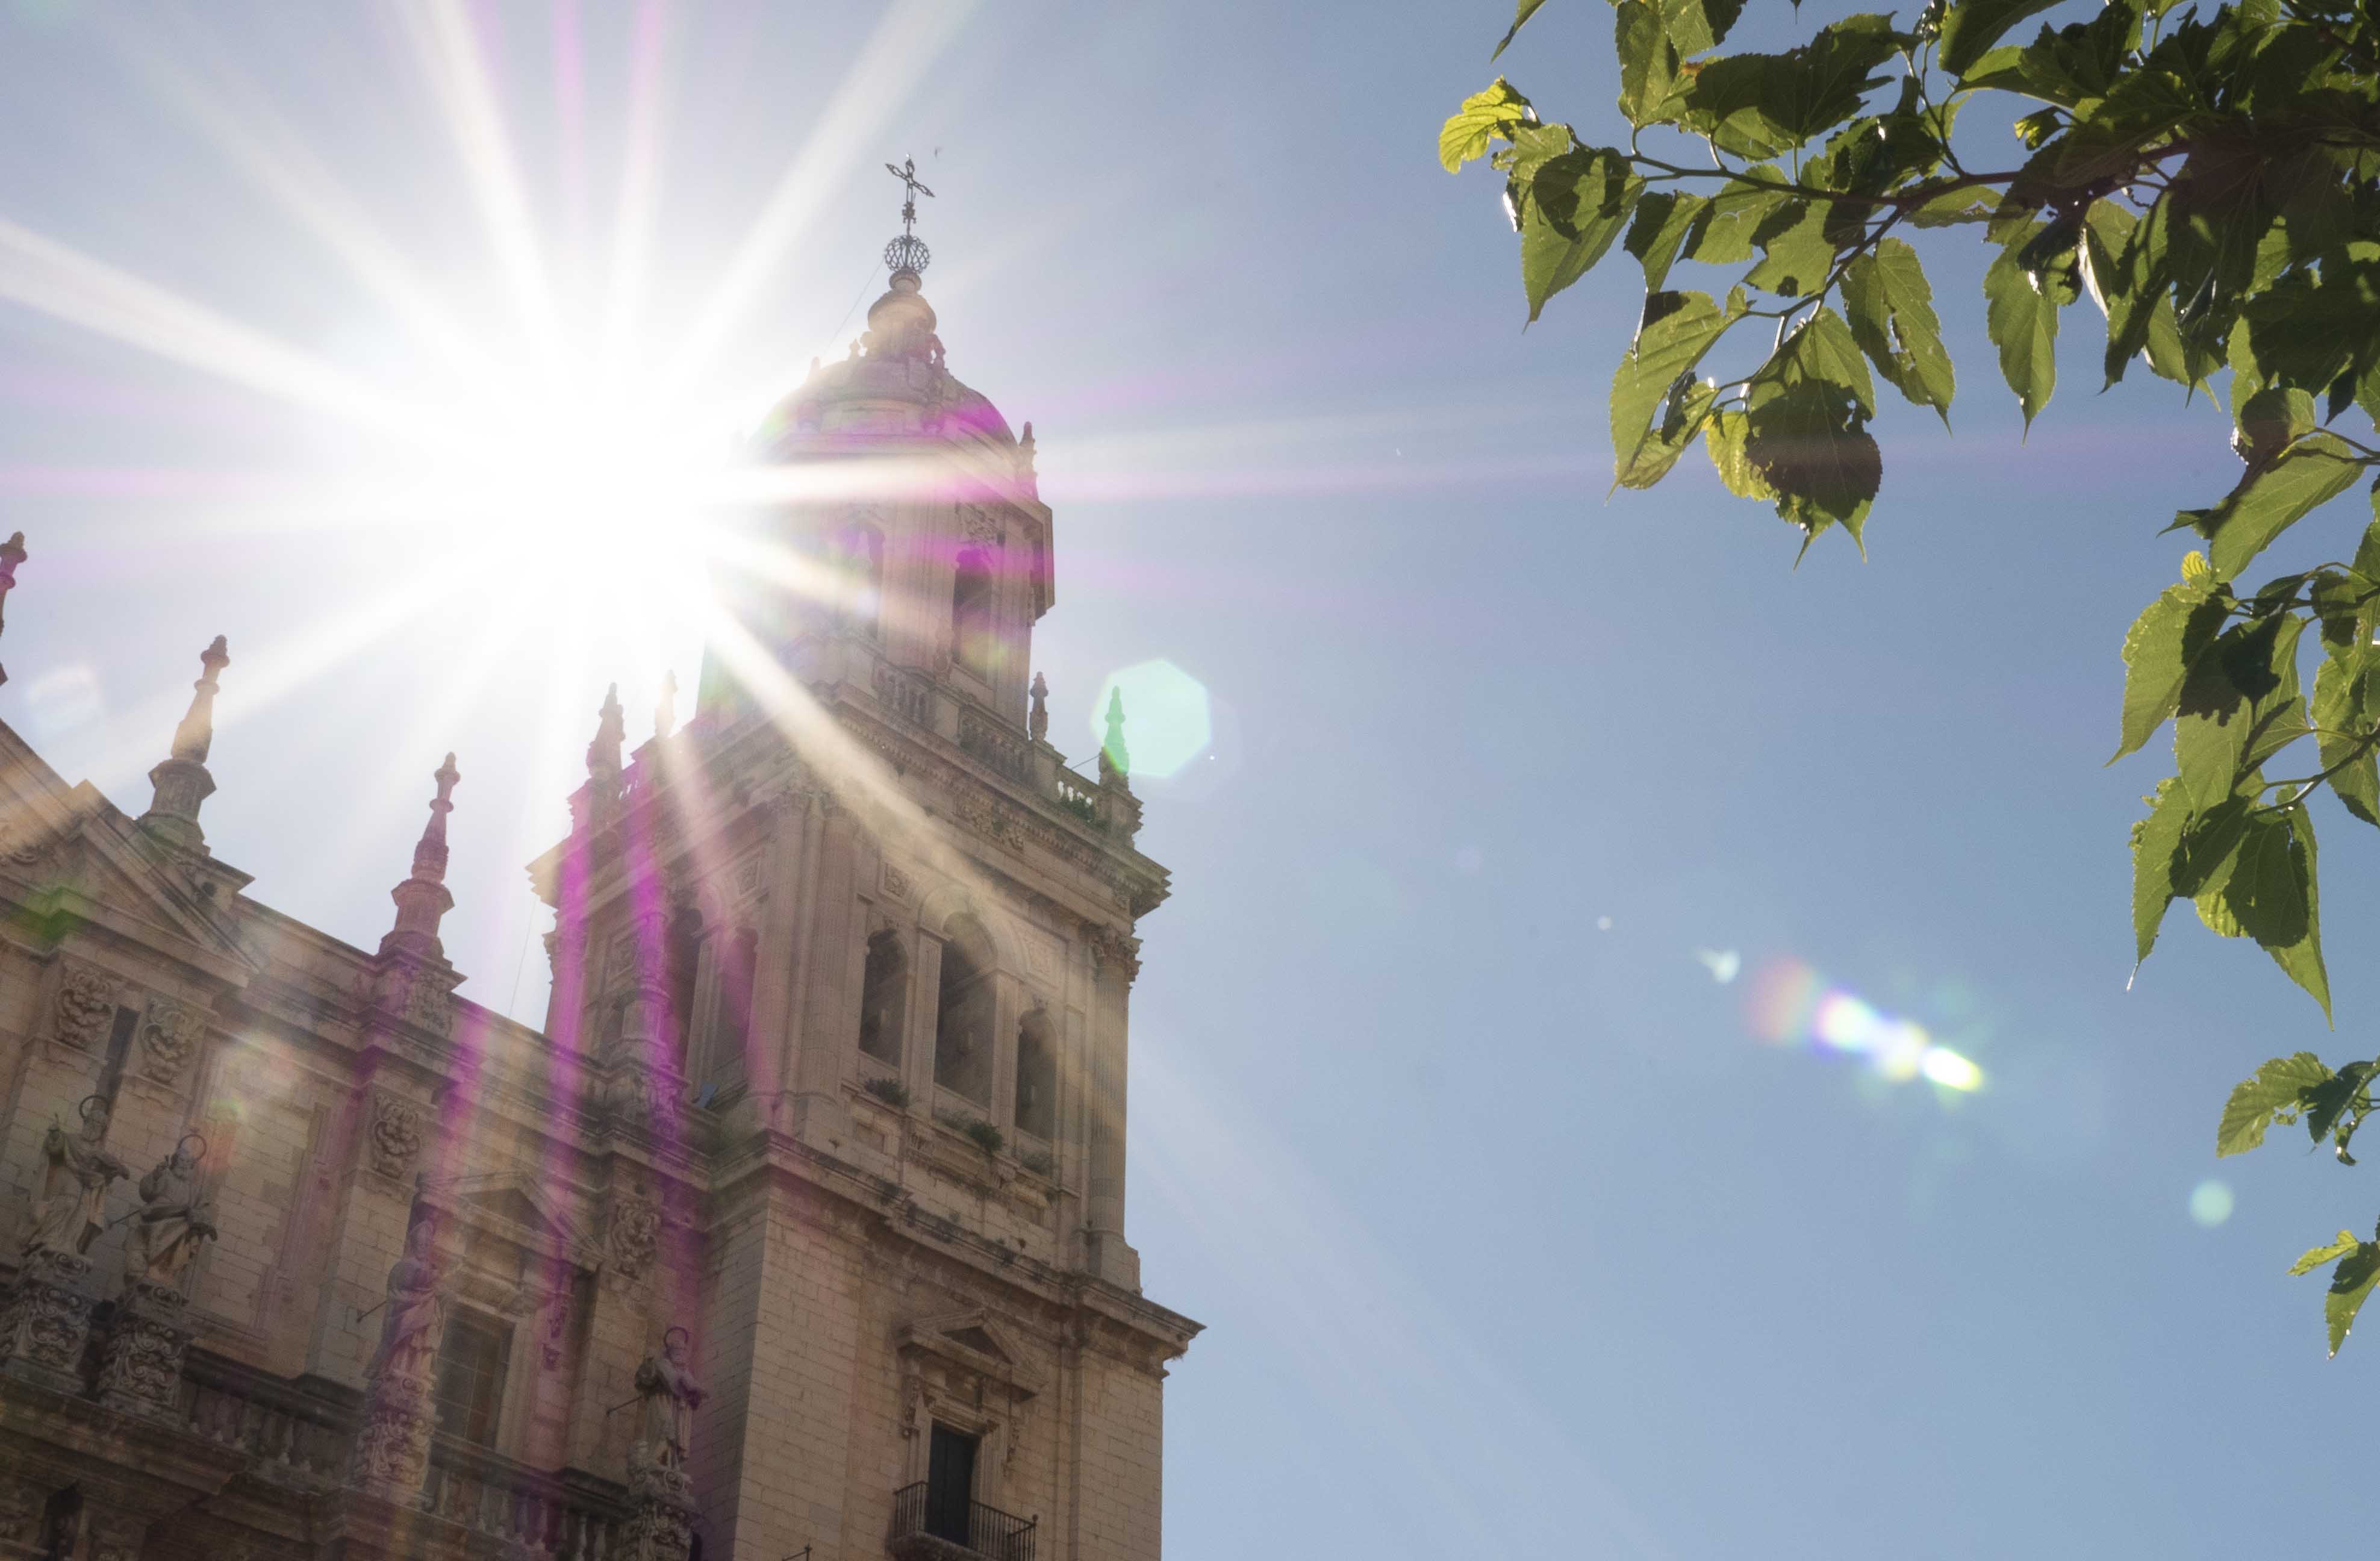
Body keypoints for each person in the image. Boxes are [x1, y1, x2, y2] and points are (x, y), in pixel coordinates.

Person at [20, 1097, 126, 1259]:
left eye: (99, 1124)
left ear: (103, 1129)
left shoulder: (100, 1152)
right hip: (68, 1177)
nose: (95, 1126)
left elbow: (118, 1171)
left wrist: (115, 1170)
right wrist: (54, 1135)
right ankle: (49, 1237)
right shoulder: (70, 1139)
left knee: (82, 1212)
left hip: (87, 1185)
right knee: (67, 1203)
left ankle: (68, 1244)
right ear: (86, 1120)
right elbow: (55, 1149)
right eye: (93, 1121)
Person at [126, 1135, 216, 1286]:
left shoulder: (193, 1190)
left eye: (188, 1163)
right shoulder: (166, 1176)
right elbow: (147, 1192)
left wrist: (202, 1217)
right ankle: (153, 1265)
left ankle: (167, 1271)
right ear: (174, 1161)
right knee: (162, 1228)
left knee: (187, 1230)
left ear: (192, 1166)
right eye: (182, 1161)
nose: (185, 1165)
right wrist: (156, 1176)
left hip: (180, 1221)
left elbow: (201, 1207)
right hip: (158, 1215)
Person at [366, 1220, 446, 1383]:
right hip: (405, 1315)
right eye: (420, 1245)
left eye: (426, 1245)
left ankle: (418, 1369)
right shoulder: (404, 1266)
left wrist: (439, 1291)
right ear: (414, 1245)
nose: (423, 1248)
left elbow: (437, 1290)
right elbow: (399, 1292)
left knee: (421, 1338)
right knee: (404, 1335)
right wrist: (427, 1284)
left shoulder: (431, 1268)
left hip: (424, 1314)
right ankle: (399, 1366)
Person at [634, 1327, 705, 1470]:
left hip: (680, 1411)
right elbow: (646, 1378)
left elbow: (693, 1394)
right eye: (677, 1351)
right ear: (670, 1353)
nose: (680, 1354)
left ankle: (671, 1464)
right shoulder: (662, 1365)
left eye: (683, 1351)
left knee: (674, 1436)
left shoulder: (685, 1371)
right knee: (665, 1430)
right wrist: (649, 1364)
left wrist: (695, 1393)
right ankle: (657, 1462)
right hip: (662, 1402)